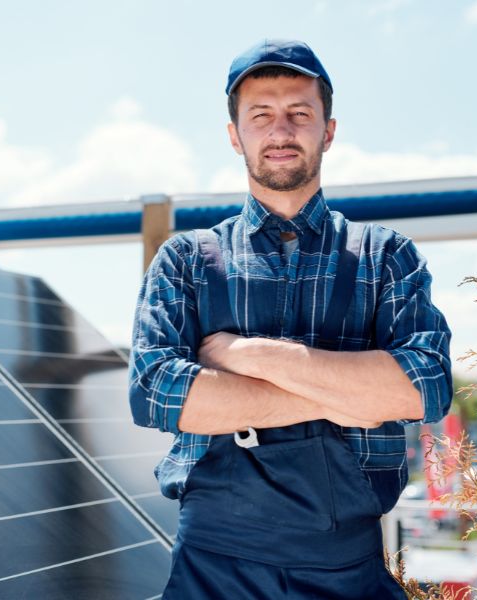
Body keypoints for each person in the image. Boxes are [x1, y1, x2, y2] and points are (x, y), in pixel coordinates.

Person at [129, 39, 452, 598]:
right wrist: (353, 396)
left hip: (345, 570)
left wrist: (247, 355)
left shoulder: (385, 256)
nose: (281, 132)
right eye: (261, 116)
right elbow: (159, 397)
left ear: (328, 130)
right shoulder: (186, 261)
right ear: (235, 135)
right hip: (212, 571)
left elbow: (423, 387)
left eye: (299, 113)